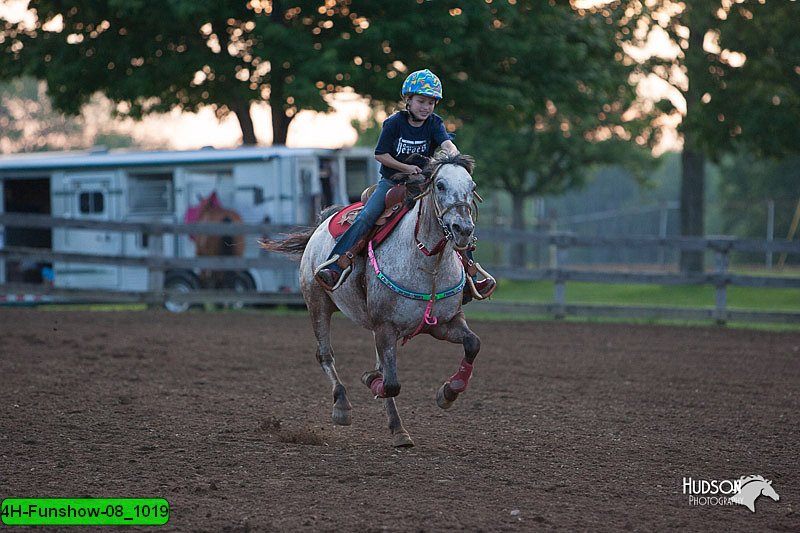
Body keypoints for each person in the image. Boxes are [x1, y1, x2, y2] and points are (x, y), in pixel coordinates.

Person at [314, 68, 495, 302]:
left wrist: (455, 160)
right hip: (391, 182)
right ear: (407, 100)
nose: (426, 107)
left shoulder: (435, 123)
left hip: (422, 184)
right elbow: (381, 155)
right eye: (421, 101)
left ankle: (470, 275)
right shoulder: (394, 123)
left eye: (431, 102)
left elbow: (446, 144)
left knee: (455, 218)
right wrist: (406, 168)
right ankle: (337, 264)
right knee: (367, 216)